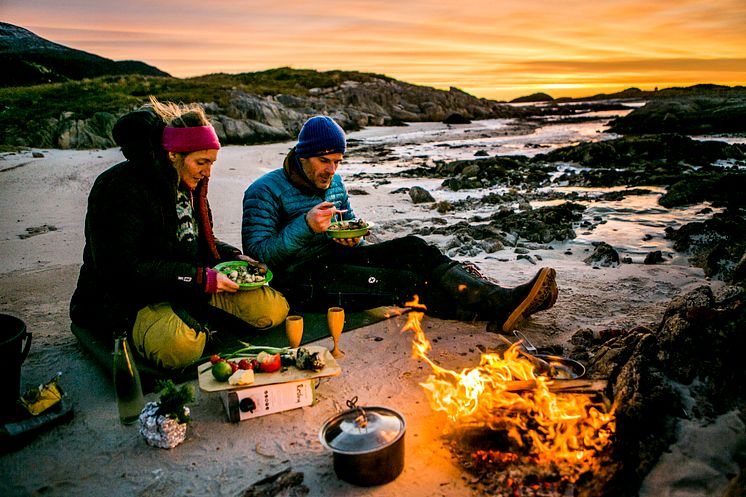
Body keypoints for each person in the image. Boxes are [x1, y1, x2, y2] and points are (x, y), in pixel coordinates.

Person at [241, 116, 557, 332]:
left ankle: (498, 298)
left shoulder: (335, 184)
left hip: (338, 259)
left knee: (414, 248)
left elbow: (349, 225)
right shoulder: (264, 191)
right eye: (325, 161)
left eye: (337, 161)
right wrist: (306, 226)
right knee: (402, 282)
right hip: (300, 280)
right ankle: (494, 307)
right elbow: (258, 257)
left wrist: (353, 238)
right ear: (303, 155)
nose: (332, 170)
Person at [70, 97, 289, 369]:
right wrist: (198, 279)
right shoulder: (119, 189)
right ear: (173, 154)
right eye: (201, 162)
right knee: (182, 347)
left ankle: (189, 317)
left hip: (186, 284)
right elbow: (120, 269)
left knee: (272, 308)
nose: (208, 172)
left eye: (212, 162)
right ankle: (175, 325)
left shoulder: (189, 184)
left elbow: (196, 239)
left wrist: (233, 256)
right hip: (129, 298)